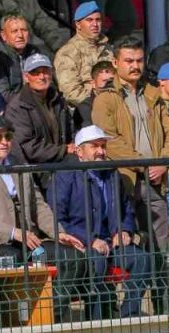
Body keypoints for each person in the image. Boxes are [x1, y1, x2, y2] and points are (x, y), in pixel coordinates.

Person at [92, 49, 169, 315]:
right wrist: (143, 164)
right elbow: (109, 140)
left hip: (155, 180)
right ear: (116, 63)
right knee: (129, 245)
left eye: (139, 61)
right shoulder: (106, 99)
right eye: (129, 61)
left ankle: (162, 303)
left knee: (160, 245)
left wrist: (163, 161)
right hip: (125, 181)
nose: (134, 66)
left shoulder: (153, 94)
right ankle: (127, 307)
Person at [47, 125, 152, 320]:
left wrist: (124, 231)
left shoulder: (112, 174)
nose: (101, 152)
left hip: (112, 241)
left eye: (103, 146)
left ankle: (130, 315)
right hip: (81, 244)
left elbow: (126, 210)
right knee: (97, 263)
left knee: (142, 259)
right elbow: (57, 218)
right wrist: (89, 240)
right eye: (94, 146)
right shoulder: (64, 176)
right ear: (79, 151)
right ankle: (96, 320)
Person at [0, 115, 75, 327]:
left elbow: (38, 205)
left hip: (30, 240)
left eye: (8, 136)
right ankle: (8, 324)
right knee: (12, 259)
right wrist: (12, 232)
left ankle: (51, 320)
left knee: (70, 257)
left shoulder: (18, 164)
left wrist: (57, 232)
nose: (5, 141)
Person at [54, 1, 113, 106]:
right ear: (78, 24)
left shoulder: (107, 48)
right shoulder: (67, 53)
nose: (95, 24)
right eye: (89, 20)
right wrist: (100, 104)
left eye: (98, 20)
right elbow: (71, 92)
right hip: (85, 110)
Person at [0, 15, 48, 101]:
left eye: (24, 30)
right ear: (3, 35)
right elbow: (3, 95)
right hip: (11, 109)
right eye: (14, 31)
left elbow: (48, 80)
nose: (20, 35)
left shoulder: (34, 51)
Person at [75, 60, 116, 129]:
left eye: (112, 81)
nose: (109, 85)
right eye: (104, 81)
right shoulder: (86, 108)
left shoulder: (122, 101)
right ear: (93, 83)